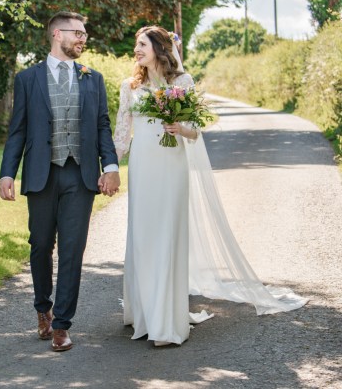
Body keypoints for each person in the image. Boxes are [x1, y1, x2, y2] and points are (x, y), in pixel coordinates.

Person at [112, 25, 307, 347]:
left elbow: (194, 131)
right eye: (136, 44)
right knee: (142, 235)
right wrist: (108, 167)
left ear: (160, 49)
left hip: (171, 166)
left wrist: (179, 128)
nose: (137, 49)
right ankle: (144, 313)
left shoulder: (182, 83)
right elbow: (122, 132)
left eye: (142, 44)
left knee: (167, 235)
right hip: (143, 168)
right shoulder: (128, 85)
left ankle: (166, 321)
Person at [0, 11, 120, 352]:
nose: (83, 39)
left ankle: (62, 324)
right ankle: (43, 309)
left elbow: (102, 127)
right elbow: (18, 130)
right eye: (77, 33)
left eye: (84, 34)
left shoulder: (92, 78)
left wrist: (109, 165)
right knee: (39, 245)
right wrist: (8, 171)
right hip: (41, 173)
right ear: (56, 34)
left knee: (72, 250)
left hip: (80, 175)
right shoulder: (27, 79)